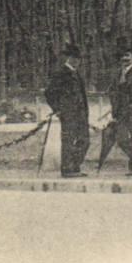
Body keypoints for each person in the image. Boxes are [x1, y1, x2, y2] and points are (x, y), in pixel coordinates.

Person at [98, 45, 132, 175]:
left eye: (128, 55)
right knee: (121, 139)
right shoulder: (116, 74)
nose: (125, 58)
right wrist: (114, 107)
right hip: (120, 112)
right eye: (122, 56)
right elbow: (112, 91)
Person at [43, 42, 91, 177]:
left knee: (84, 140)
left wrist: (86, 112)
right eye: (77, 59)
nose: (79, 62)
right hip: (68, 113)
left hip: (81, 114)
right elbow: (49, 93)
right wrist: (58, 109)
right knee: (69, 141)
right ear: (71, 59)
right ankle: (67, 169)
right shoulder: (61, 73)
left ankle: (75, 166)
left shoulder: (77, 74)